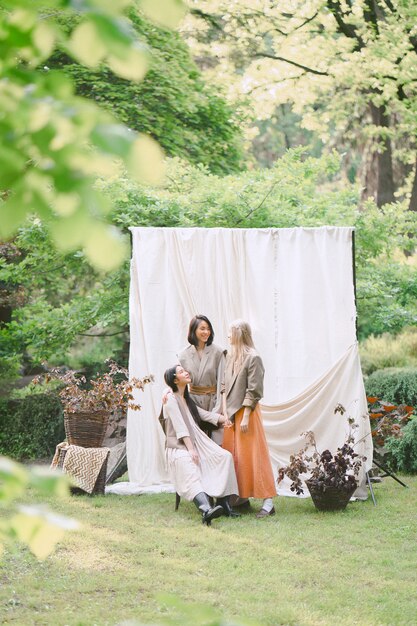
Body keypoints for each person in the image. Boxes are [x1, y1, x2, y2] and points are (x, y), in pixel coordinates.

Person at [162, 364, 239, 525]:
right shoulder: (169, 398)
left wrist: (222, 419)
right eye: (181, 371)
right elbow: (180, 427)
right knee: (189, 465)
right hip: (178, 446)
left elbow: (202, 414)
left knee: (224, 456)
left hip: (197, 442)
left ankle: (223, 503)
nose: (186, 372)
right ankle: (206, 510)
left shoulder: (186, 398)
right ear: (175, 380)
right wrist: (191, 450)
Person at [221, 319, 277, 518]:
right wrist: (225, 413)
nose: (227, 335)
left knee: (255, 456)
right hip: (231, 416)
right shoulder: (229, 356)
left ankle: (268, 501)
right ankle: (241, 497)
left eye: (230, 332)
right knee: (235, 458)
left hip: (248, 414)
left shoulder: (253, 358)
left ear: (239, 333)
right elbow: (224, 387)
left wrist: (245, 416)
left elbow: (254, 391)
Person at [178, 315, 226, 442]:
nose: (206, 332)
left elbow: (223, 383)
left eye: (208, 329)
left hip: (215, 401)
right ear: (193, 330)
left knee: (217, 443)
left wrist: (217, 410)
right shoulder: (183, 355)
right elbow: (177, 379)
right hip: (193, 402)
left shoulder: (218, 352)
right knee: (197, 442)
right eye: (202, 329)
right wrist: (167, 391)